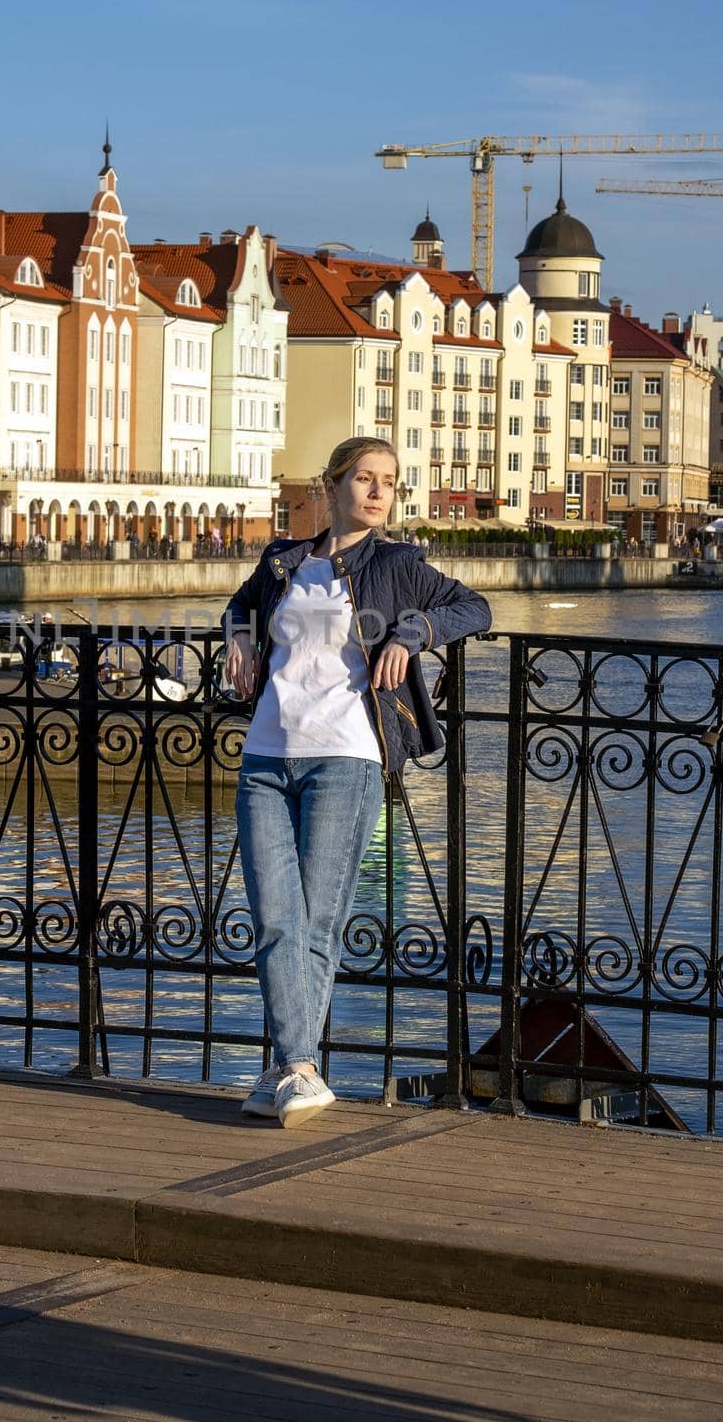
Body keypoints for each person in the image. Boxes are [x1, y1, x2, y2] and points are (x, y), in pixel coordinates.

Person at [222, 435, 491, 1130]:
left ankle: (294, 1068)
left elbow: (474, 609)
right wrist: (240, 636)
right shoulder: (283, 560)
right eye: (364, 479)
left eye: (389, 483)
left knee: (315, 918)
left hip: (347, 756)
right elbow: (240, 607)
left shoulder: (398, 563)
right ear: (331, 485)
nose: (377, 492)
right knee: (273, 918)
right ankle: (294, 1068)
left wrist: (411, 634)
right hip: (265, 756)